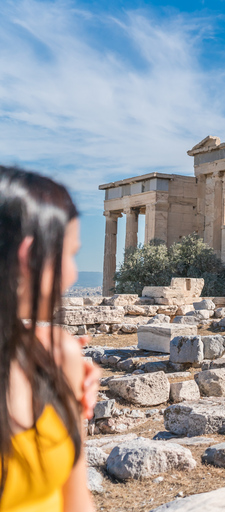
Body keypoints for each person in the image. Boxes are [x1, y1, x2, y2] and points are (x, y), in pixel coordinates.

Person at [0, 166, 99, 511]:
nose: (73, 273)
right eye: (71, 254)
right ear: (29, 256)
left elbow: (75, 499)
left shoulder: (60, 355)